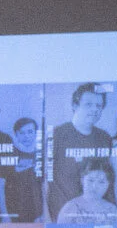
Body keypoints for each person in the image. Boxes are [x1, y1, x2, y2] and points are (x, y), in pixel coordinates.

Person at [46, 84, 113, 218]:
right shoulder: (55, 135)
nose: (94, 109)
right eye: (88, 104)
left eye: (99, 106)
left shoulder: (105, 138)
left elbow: (107, 179)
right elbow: (43, 182)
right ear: (75, 105)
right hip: (62, 216)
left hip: (94, 215)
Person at [56, 158, 117, 222]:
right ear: (82, 180)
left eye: (101, 182)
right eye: (91, 180)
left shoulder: (111, 209)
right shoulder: (70, 207)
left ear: (108, 184)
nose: (95, 186)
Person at [6, 117, 44, 222]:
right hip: (15, 212)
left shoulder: (41, 154)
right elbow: (0, 185)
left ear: (36, 133)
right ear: (16, 135)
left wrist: (44, 212)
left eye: (30, 132)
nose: (26, 136)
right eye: (22, 133)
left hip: (37, 212)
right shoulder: (9, 153)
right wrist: (5, 214)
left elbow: (44, 186)